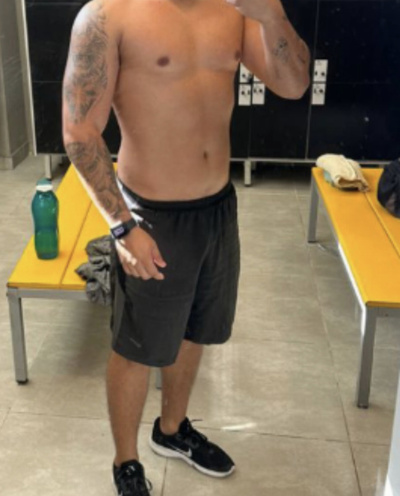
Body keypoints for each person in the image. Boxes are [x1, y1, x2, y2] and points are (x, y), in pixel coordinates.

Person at [62, 0, 310, 493]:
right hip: (149, 217)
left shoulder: (237, 9)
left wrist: (272, 16)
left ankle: (172, 430)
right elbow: (80, 131)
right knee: (135, 347)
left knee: (196, 330)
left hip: (216, 208)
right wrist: (123, 228)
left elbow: (294, 85)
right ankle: (126, 462)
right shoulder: (109, 14)